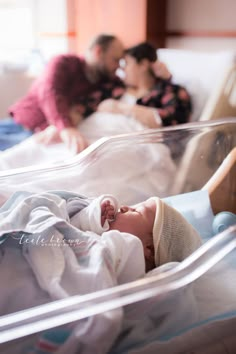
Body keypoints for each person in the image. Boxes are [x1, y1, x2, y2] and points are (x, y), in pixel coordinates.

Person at [0, 34, 125, 152]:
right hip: (21, 125)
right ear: (98, 52)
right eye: (115, 60)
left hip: (44, 136)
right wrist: (66, 127)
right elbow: (50, 91)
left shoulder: (107, 81)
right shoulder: (64, 63)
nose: (118, 67)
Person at [71, 194, 202, 272]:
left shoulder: (128, 255)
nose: (123, 207)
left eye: (135, 211)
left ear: (148, 249)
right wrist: (93, 218)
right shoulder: (102, 235)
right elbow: (72, 226)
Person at [97, 42, 192, 128]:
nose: (122, 69)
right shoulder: (115, 87)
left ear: (143, 64)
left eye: (126, 63)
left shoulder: (169, 91)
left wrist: (120, 108)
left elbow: (175, 124)